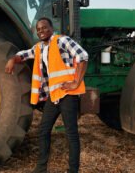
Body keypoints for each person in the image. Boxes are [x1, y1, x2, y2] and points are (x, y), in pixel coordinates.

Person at [5, 17, 88, 173]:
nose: (41, 31)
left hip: (68, 95)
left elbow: (83, 56)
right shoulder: (39, 48)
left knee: (71, 133)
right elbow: (23, 55)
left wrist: (76, 82)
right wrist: (12, 60)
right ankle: (41, 168)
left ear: (51, 28)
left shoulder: (61, 41)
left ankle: (73, 170)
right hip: (54, 95)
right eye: (38, 29)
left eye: (44, 28)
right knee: (43, 130)